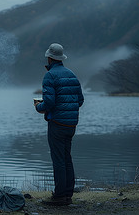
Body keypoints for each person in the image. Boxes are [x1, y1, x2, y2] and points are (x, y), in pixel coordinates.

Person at [34, 43, 84, 206]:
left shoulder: (50, 76)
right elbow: (80, 100)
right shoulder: (72, 74)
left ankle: (60, 196)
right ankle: (68, 194)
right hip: (71, 125)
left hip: (57, 124)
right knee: (66, 158)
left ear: (49, 58)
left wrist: (38, 107)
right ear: (61, 58)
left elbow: (49, 102)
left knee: (58, 160)